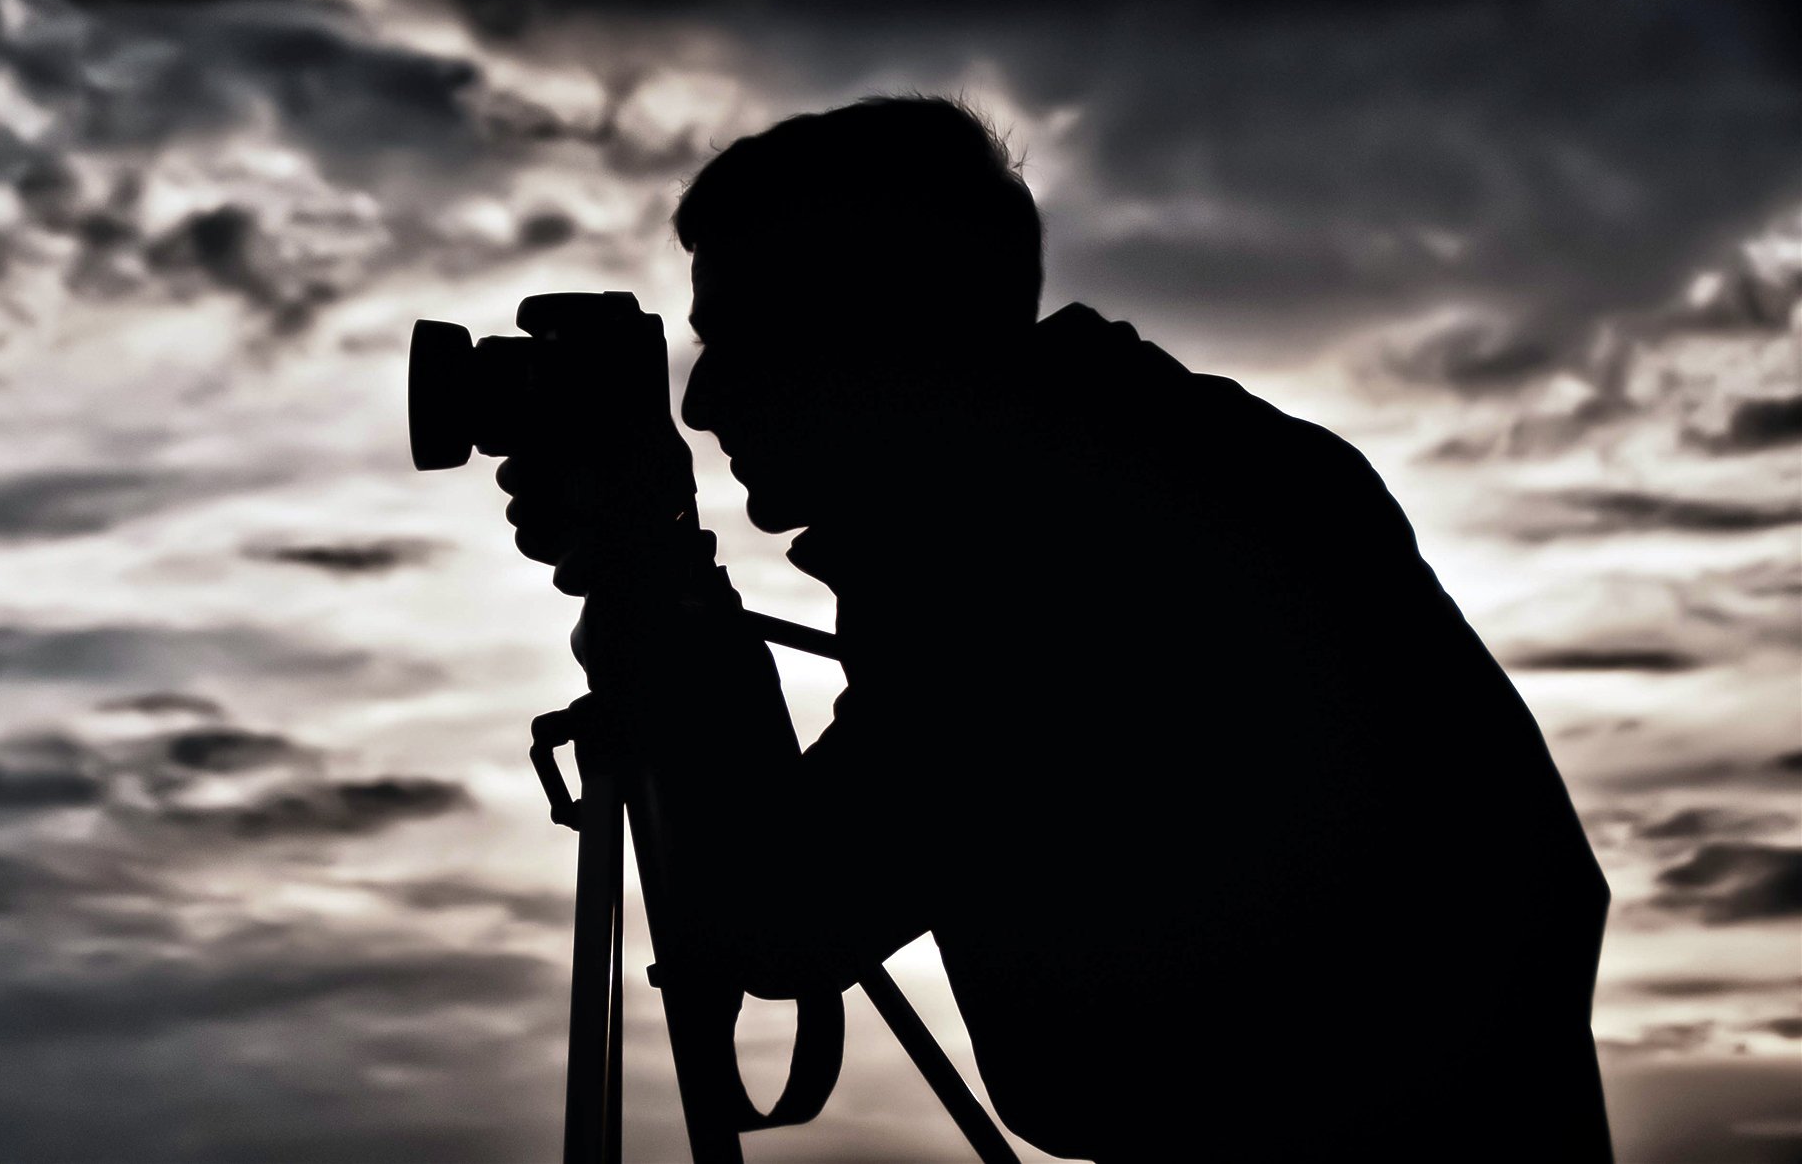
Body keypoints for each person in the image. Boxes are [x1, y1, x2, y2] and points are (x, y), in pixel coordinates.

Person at [497, 95, 1614, 1162]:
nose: (700, 404)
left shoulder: (1045, 534)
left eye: (739, 341)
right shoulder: (1148, 459)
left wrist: (651, 578)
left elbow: (783, 910)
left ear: (871, 331)